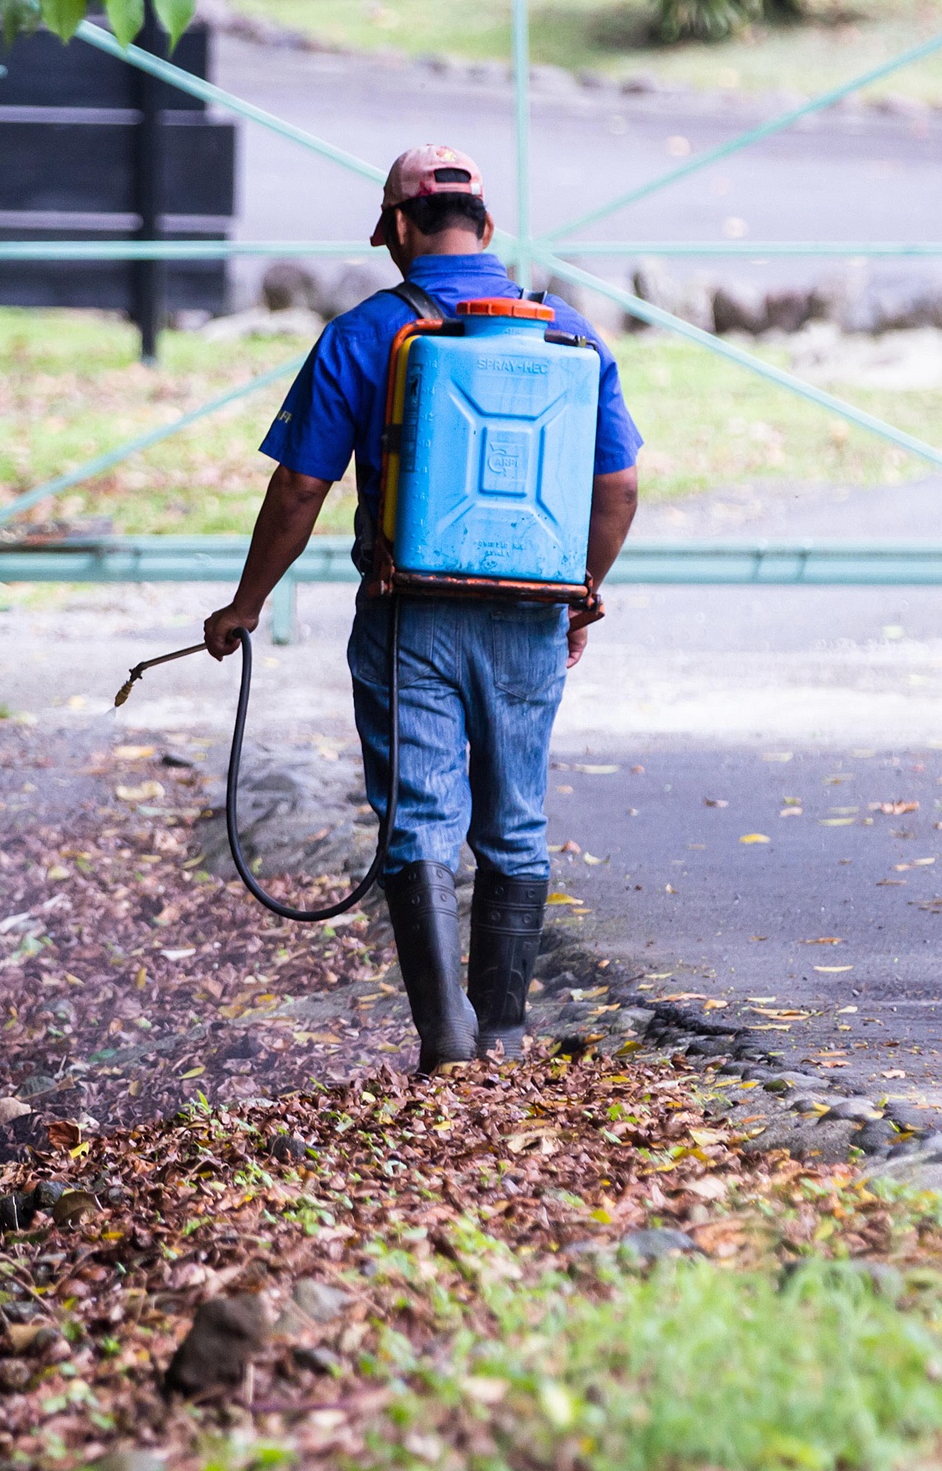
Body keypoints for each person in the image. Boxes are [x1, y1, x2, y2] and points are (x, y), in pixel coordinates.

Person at [202, 145, 641, 1073]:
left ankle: (446, 1039)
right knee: (515, 818)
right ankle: (507, 1036)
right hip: (530, 615)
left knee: (419, 819)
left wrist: (246, 603)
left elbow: (298, 490)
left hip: (411, 616)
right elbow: (620, 484)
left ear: (399, 229)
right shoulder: (568, 336)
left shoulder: (366, 335)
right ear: (485, 225)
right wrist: (582, 596)